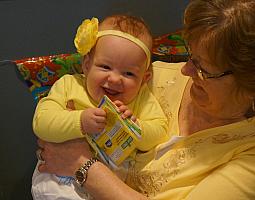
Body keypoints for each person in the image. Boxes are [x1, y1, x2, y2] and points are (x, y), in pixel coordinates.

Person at [35, 0, 255, 199]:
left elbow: (76, 155)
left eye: (202, 68)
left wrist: (82, 165)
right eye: (190, 55)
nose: (184, 70)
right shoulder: (153, 77)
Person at [31, 14, 168, 199]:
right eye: (105, 67)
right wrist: (79, 121)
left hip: (110, 183)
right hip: (61, 178)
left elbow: (160, 130)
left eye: (128, 73)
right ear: (87, 65)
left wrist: (137, 128)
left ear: (145, 79)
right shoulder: (70, 85)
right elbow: (41, 123)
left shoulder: (141, 98)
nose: (114, 79)